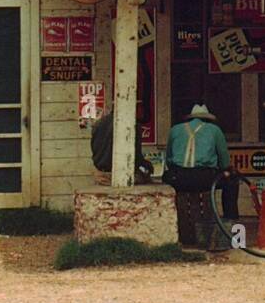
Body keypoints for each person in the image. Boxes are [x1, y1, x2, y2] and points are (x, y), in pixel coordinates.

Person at [164, 104, 239, 248]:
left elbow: (168, 158)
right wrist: (227, 171)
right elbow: (224, 162)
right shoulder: (215, 130)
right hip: (204, 178)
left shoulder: (175, 130)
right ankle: (230, 219)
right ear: (208, 120)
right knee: (232, 181)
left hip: (179, 178)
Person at [89, 109, 153, 185]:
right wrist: (147, 165)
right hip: (123, 174)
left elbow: (94, 150)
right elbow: (136, 157)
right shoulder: (132, 124)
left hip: (101, 174)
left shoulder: (98, 124)